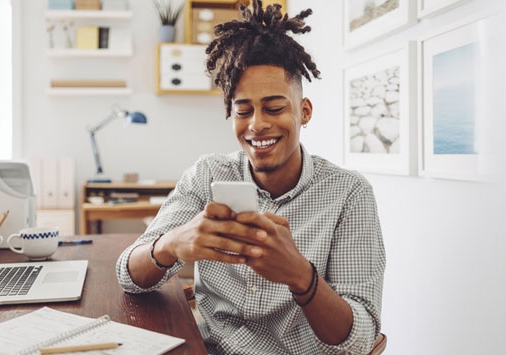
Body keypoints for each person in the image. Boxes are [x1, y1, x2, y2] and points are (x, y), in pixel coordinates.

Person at [115, 1, 385, 354]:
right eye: (243, 111)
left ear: (304, 112)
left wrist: (301, 276)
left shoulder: (349, 195)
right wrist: (171, 244)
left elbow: (362, 336)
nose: (257, 124)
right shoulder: (207, 175)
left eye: (274, 108)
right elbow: (127, 275)